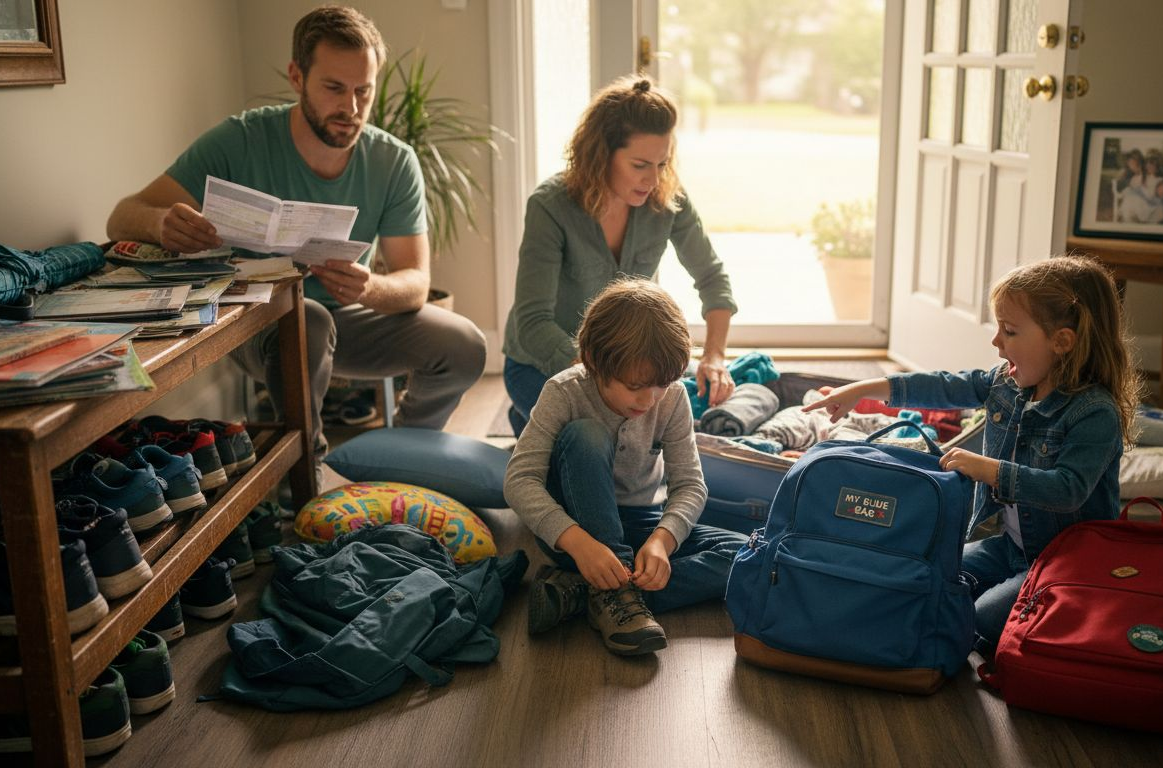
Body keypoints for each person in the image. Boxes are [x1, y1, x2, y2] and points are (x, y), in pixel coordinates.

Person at [105, 5, 486, 479]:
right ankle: (307, 477)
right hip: (259, 321)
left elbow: (415, 282)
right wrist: (161, 223)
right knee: (309, 320)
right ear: (297, 77)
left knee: (464, 345)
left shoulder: (394, 161)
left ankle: (402, 460)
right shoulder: (240, 140)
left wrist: (368, 286)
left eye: (363, 90)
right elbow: (122, 216)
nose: (351, 108)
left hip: (349, 315)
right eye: (334, 88)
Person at [803, 255, 1142, 653]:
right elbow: (945, 386)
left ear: (1062, 342)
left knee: (980, 619)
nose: (996, 342)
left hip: (1068, 563)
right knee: (927, 578)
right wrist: (863, 390)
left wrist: (989, 469)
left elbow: (1067, 489)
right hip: (1010, 549)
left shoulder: (1094, 413)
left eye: (1009, 331)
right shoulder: (1007, 384)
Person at [503, 278, 747, 656]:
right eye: (635, 386)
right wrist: (580, 544)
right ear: (594, 362)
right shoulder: (563, 391)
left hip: (640, 523)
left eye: (662, 384)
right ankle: (612, 588)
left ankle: (588, 593)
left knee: (744, 554)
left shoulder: (672, 397)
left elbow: (690, 484)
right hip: (575, 533)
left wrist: (663, 540)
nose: (650, 400)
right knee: (586, 435)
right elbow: (520, 480)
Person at [501, 76, 738, 436]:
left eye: (662, 164)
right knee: (603, 442)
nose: (653, 180)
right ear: (601, 155)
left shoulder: (669, 200)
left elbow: (712, 279)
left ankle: (535, 427)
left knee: (706, 413)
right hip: (541, 366)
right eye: (640, 165)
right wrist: (608, 379)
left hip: (630, 371)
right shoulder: (550, 206)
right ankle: (532, 422)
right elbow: (533, 323)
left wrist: (714, 357)